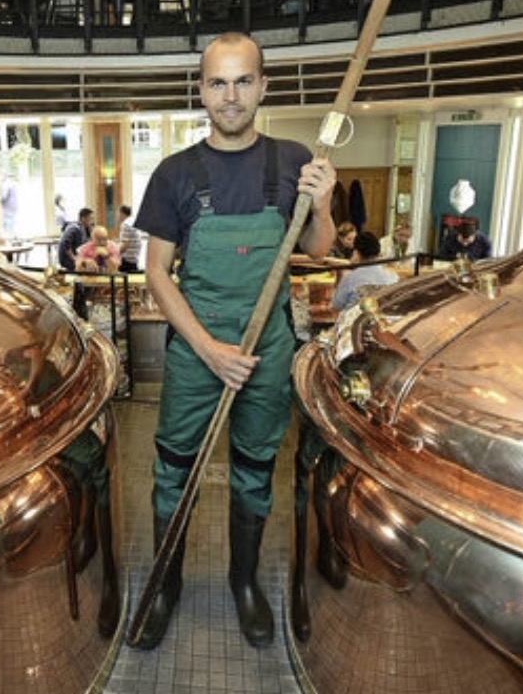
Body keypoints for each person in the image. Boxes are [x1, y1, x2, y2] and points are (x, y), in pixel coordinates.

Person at [133, 32, 336, 650]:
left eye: (243, 81)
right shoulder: (174, 174)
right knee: (174, 471)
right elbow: (156, 275)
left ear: (263, 86)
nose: (230, 96)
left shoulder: (293, 162)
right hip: (198, 351)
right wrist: (208, 349)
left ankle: (242, 580)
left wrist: (323, 206)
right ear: (201, 90)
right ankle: (166, 583)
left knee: (255, 468)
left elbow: (317, 251)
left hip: (268, 350)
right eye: (218, 83)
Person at [330, 231, 400, 312]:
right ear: (378, 253)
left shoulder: (350, 279)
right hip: (382, 322)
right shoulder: (393, 278)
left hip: (353, 323)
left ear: (357, 252)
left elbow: (335, 306)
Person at [117, 204, 143, 272]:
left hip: (126, 262)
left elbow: (125, 245)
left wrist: (113, 252)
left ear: (121, 213)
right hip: (134, 260)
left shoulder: (125, 224)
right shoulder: (134, 222)